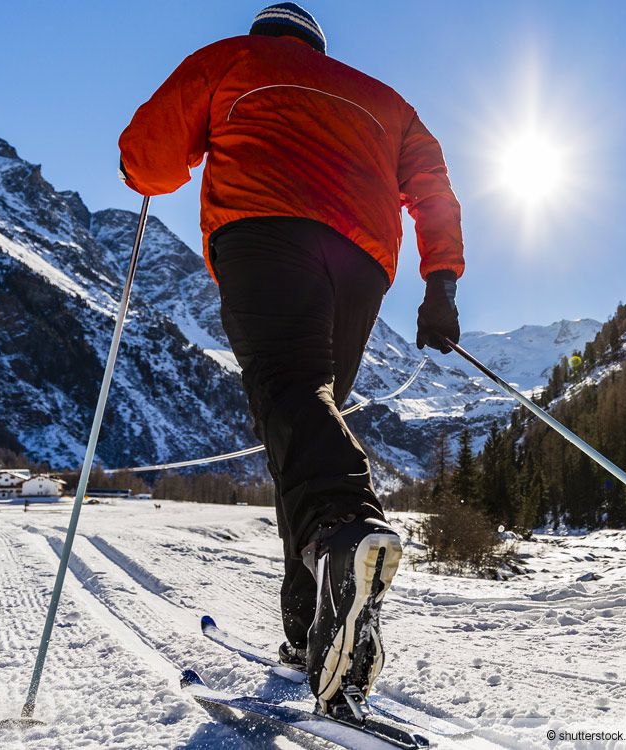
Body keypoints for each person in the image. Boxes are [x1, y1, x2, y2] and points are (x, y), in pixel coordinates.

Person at [117, 2, 464, 720]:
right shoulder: (385, 100)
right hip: (362, 262)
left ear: (266, 36)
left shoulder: (232, 61)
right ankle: (312, 628)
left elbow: (148, 156)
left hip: (265, 229)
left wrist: (147, 172)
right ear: (319, 45)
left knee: (291, 395)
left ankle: (346, 529)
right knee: (307, 420)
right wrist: (441, 288)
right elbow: (434, 192)